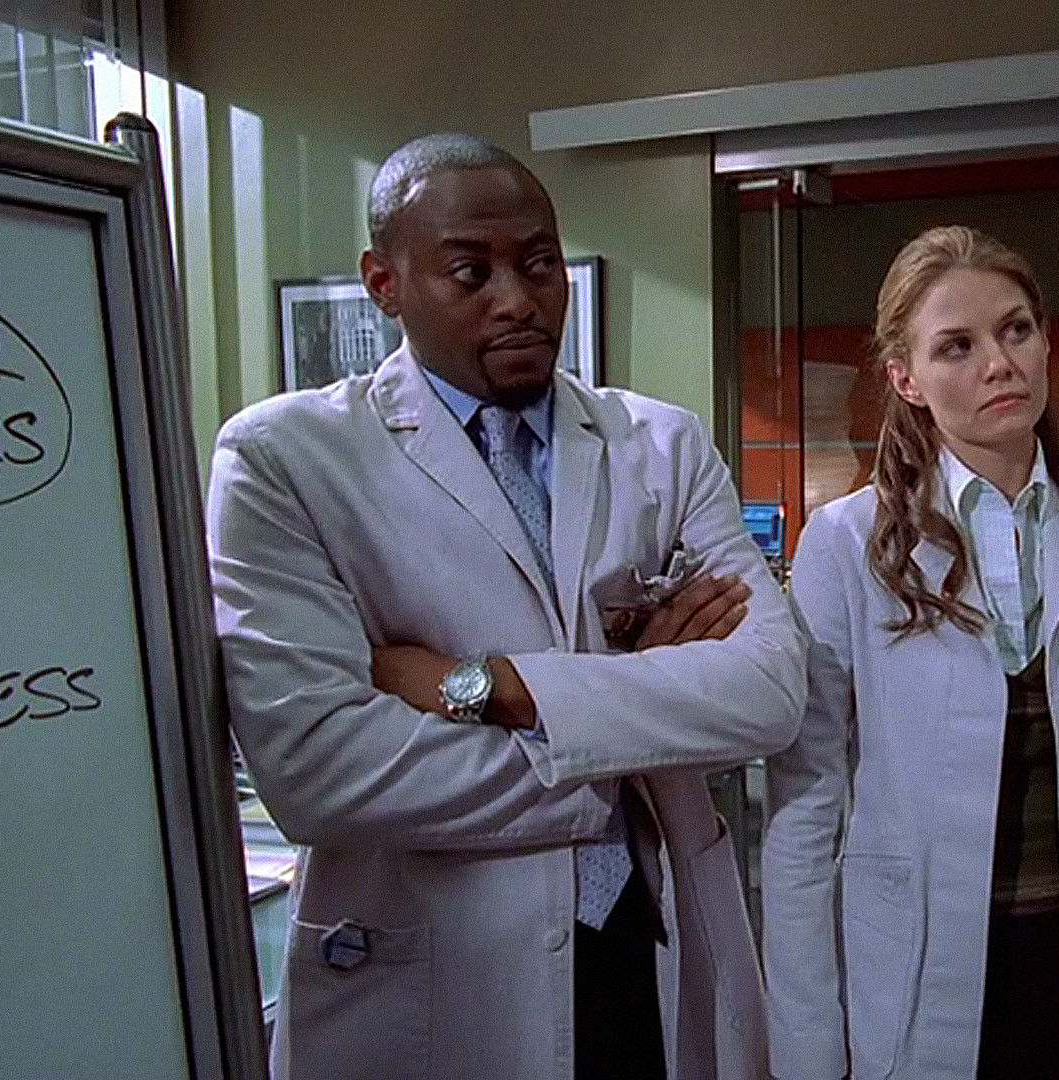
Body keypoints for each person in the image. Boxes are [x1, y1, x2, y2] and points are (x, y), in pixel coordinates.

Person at [207, 133, 806, 1080]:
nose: (518, 298)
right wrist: (628, 745)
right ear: (383, 283)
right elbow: (322, 771)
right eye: (470, 272)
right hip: (437, 969)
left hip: (646, 943)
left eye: (538, 264)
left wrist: (483, 687)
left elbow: (769, 694)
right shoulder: (288, 462)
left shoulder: (663, 444)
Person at [762, 225, 1059, 1080]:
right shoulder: (846, 544)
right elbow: (807, 801)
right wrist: (807, 1042)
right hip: (919, 967)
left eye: (1016, 330)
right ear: (905, 378)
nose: (999, 364)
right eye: (956, 346)